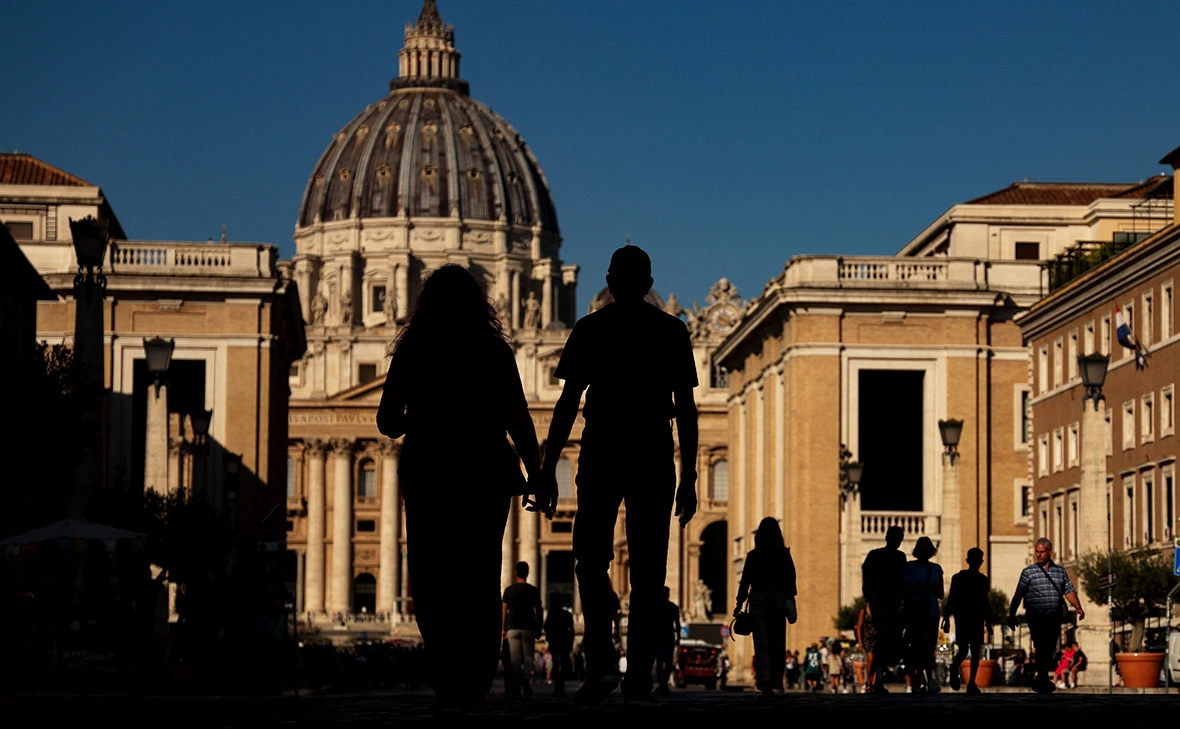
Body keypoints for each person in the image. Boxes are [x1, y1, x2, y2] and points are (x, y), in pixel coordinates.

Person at [535, 245, 699, 706]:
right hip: (652, 452)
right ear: (649, 285)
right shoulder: (671, 330)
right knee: (649, 573)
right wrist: (688, 476)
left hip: (603, 450)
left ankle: (603, 664)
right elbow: (685, 409)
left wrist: (548, 469)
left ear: (609, 282)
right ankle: (639, 676)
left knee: (589, 560)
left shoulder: (591, 328)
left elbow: (569, 404)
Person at [376, 264, 541, 713]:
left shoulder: (414, 348)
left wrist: (427, 417)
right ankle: (477, 676)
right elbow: (519, 419)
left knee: (432, 574)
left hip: (429, 469)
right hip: (485, 471)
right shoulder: (494, 350)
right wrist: (539, 473)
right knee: (480, 572)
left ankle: (447, 672)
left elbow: (387, 420)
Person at [1006, 537, 1085, 694]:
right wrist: (1012, 614)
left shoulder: (1060, 572)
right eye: (1037, 552)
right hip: (1036, 617)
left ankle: (1041, 677)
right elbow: (1018, 594)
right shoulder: (1028, 572)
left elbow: (1069, 591)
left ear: (1050, 552)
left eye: (1042, 552)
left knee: (1049, 647)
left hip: (1054, 617)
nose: (1039, 555)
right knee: (1041, 645)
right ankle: (1042, 677)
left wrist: (1078, 607)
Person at [733, 517, 798, 697]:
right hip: (778, 600)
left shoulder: (754, 556)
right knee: (777, 642)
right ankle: (776, 679)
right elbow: (792, 578)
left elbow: (745, 581)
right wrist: (789, 597)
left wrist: (739, 603)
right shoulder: (784, 554)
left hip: (758, 600)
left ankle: (764, 680)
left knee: (761, 643)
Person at [861, 525, 906, 693]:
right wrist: (873, 601)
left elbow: (903, 582)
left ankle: (877, 679)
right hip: (878, 606)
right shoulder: (874, 555)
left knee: (886, 645)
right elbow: (867, 580)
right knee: (877, 645)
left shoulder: (900, 558)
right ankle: (875, 680)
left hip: (891, 607)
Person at [941, 547, 990, 694]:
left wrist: (988, 621)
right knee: (967, 649)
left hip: (972, 618)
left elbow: (984, 602)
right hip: (965, 617)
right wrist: (947, 618)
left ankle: (971, 682)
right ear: (969, 561)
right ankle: (958, 670)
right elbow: (952, 599)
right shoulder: (961, 578)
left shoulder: (980, 580)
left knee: (973, 651)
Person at [901, 536, 944, 693]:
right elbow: (904, 591)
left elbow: (940, 593)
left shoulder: (936, 569)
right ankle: (920, 680)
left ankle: (928, 679)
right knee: (918, 646)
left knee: (928, 646)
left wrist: (921, 590)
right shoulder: (909, 568)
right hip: (916, 612)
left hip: (930, 611)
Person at [502, 561, 544, 698]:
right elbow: (539, 610)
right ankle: (525, 681)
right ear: (528, 573)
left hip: (512, 628)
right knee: (528, 658)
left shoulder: (509, 590)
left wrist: (503, 628)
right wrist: (539, 627)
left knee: (515, 660)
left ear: (515, 572)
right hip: (528, 628)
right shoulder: (533, 590)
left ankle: (516, 687)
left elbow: (503, 611)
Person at [543, 595, 575, 697]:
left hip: (555, 642)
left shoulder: (551, 614)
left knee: (556, 664)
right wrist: (571, 642)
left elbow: (546, 627)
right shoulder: (567, 614)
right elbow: (572, 630)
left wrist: (548, 638)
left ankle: (558, 686)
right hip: (564, 642)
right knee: (563, 664)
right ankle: (561, 685)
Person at [655, 586, 681, 695]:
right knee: (667, 661)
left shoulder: (656, 607)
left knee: (661, 661)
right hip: (668, 636)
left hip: (659, 636)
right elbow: (678, 624)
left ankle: (662, 683)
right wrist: (678, 637)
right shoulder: (673, 607)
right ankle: (664, 682)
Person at [855, 604, 877, 693]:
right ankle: (868, 680)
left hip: (877, 638)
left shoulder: (878, 610)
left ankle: (873, 683)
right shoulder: (864, 611)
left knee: (876, 661)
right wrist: (860, 641)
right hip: (867, 638)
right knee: (871, 659)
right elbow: (859, 627)